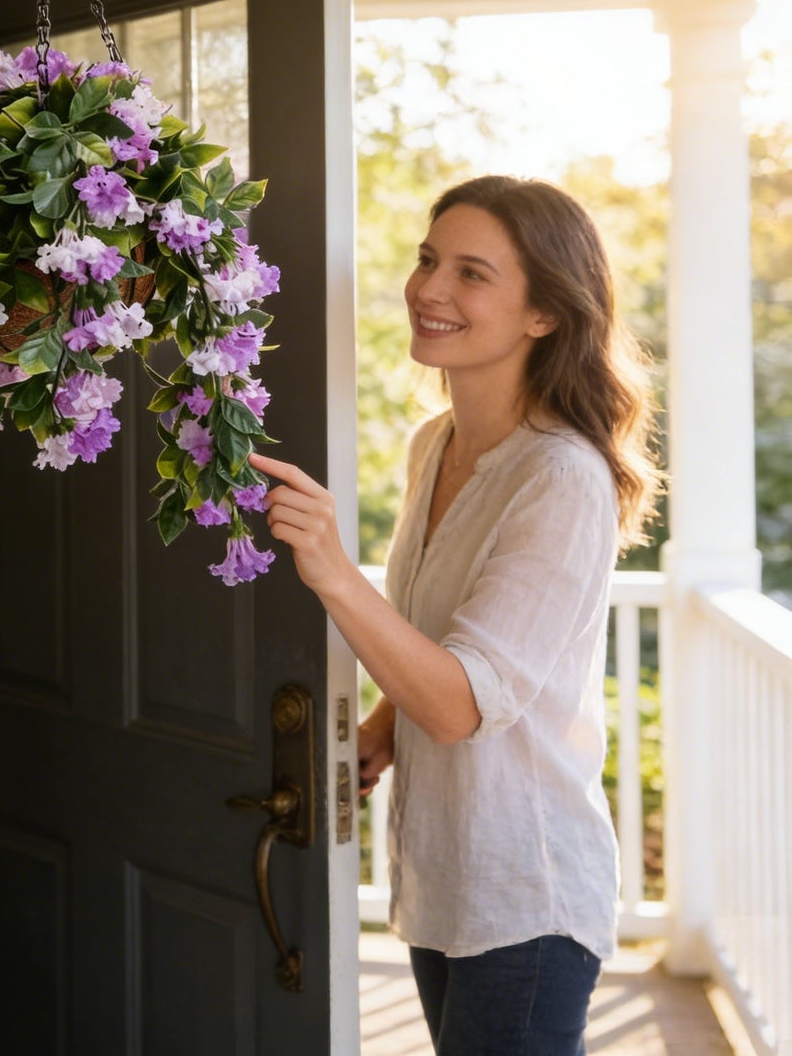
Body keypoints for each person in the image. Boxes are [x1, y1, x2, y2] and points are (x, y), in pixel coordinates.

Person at [250, 175, 660, 1056]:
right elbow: (446, 641)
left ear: (542, 314)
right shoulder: (432, 444)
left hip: (524, 898)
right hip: (441, 879)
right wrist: (382, 725)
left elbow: (464, 701)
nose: (429, 288)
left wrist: (328, 567)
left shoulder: (561, 476)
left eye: (472, 273)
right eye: (429, 259)